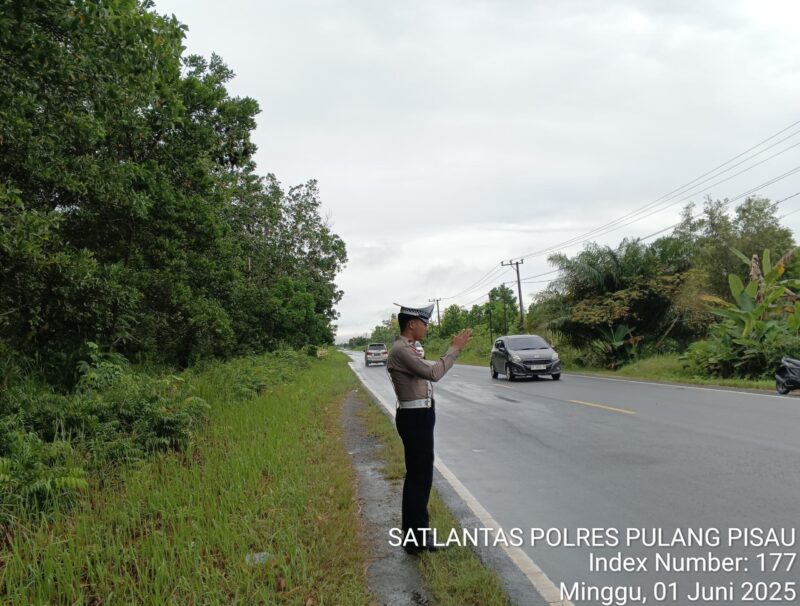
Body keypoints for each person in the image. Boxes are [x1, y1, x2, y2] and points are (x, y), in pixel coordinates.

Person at [387, 303, 472, 554]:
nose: (426, 327)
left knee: (419, 477)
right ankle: (417, 541)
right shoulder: (402, 350)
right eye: (424, 323)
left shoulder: (408, 349)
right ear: (412, 324)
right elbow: (434, 373)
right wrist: (454, 349)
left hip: (418, 415)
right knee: (419, 479)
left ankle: (415, 538)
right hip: (415, 418)